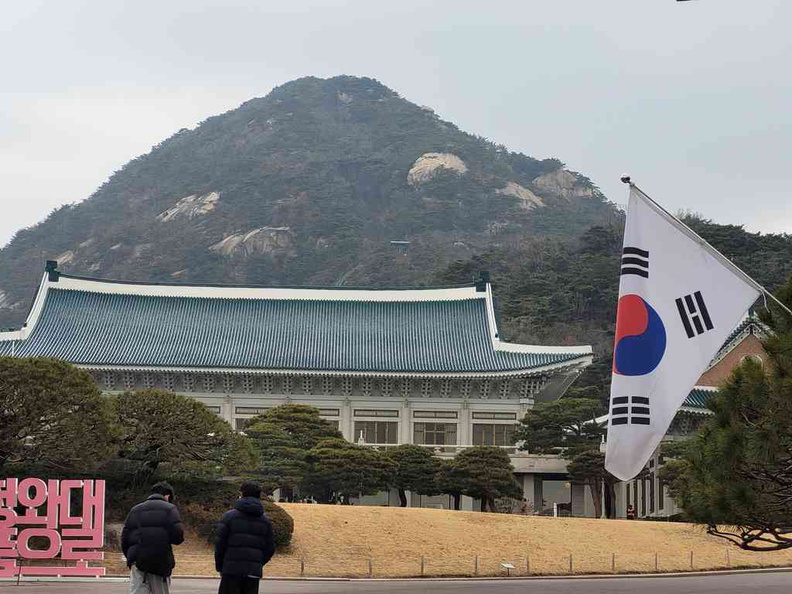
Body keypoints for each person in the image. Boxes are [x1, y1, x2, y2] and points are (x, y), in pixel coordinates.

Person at [121, 481, 184, 594]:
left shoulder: (135, 509)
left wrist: (131, 557)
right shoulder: (169, 509)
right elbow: (178, 537)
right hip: (159, 561)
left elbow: (125, 538)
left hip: (137, 560)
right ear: (168, 496)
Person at [215, 481, 276, 594]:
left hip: (231, 570)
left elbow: (220, 544)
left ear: (242, 494)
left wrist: (220, 566)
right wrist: (257, 562)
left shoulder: (229, 517)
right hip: (252, 572)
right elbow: (270, 548)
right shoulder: (265, 521)